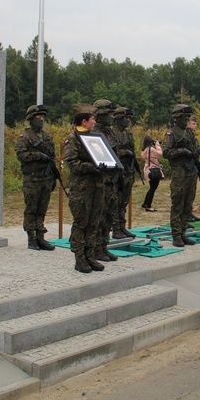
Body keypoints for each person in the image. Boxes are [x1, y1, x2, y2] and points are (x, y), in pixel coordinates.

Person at [63, 104, 106, 273]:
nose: (95, 122)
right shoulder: (73, 139)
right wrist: (91, 167)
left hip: (97, 186)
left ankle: (90, 255)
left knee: (94, 222)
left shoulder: (96, 137)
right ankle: (79, 258)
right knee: (81, 222)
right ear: (84, 121)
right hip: (81, 188)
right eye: (92, 119)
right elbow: (72, 163)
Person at [15, 104, 56, 251]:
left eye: (43, 117)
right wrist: (37, 155)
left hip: (45, 178)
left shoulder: (46, 137)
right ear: (31, 119)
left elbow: (52, 157)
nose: (41, 119)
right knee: (31, 208)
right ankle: (31, 237)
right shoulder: (25, 137)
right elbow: (21, 155)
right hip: (32, 179)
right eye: (38, 117)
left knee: (42, 208)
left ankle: (40, 236)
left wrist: (53, 176)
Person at [163, 104, 199, 247]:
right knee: (178, 204)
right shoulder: (171, 133)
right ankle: (176, 235)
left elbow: (195, 148)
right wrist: (181, 151)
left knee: (187, 204)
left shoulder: (190, 133)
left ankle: (183, 232)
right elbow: (166, 152)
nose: (186, 119)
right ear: (177, 118)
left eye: (187, 117)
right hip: (179, 173)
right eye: (184, 117)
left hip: (191, 172)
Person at [92, 99, 120, 262]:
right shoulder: (94, 133)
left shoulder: (110, 133)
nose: (111, 117)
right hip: (100, 180)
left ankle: (104, 246)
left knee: (109, 215)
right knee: (99, 215)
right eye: (108, 114)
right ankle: (95, 248)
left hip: (112, 180)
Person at [112, 107, 137, 239]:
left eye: (128, 119)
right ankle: (116, 228)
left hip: (128, 171)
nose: (127, 121)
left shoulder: (128, 134)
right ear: (118, 119)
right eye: (125, 118)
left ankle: (122, 226)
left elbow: (132, 149)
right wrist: (124, 152)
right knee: (116, 201)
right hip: (118, 172)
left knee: (124, 201)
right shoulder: (113, 133)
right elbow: (112, 152)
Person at [186, 117, 200, 223]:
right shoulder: (186, 134)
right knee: (186, 192)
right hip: (186, 166)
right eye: (193, 123)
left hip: (193, 166)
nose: (195, 125)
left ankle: (189, 212)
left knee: (192, 192)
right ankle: (186, 214)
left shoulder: (193, 135)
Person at [141, 135, 163, 212]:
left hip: (147, 170)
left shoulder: (144, 150)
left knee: (151, 188)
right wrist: (157, 144)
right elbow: (160, 153)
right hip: (154, 170)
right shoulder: (151, 149)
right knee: (153, 189)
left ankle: (145, 203)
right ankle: (148, 206)